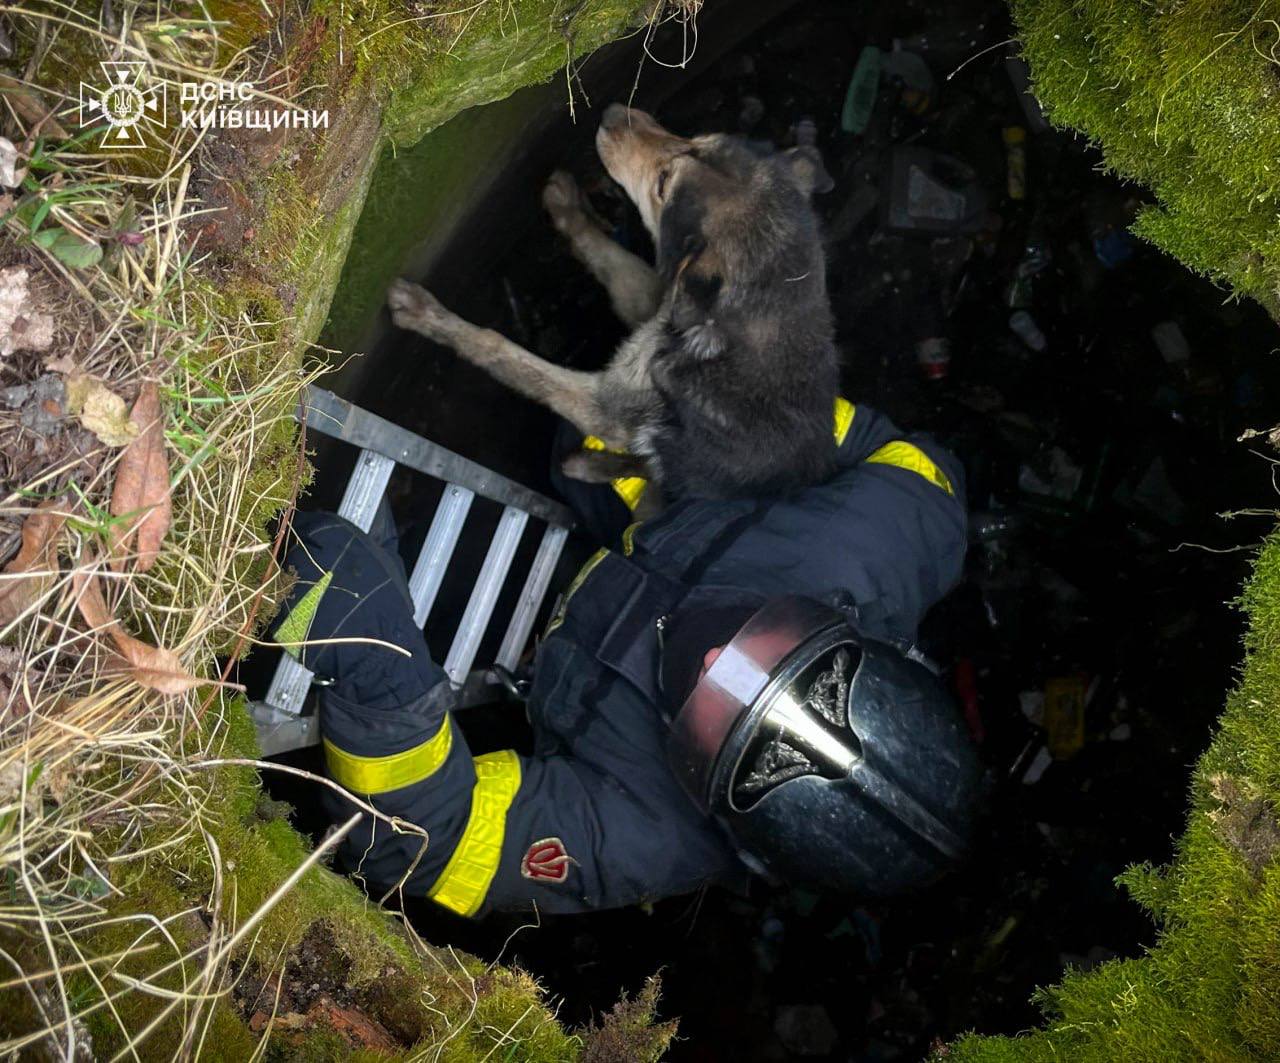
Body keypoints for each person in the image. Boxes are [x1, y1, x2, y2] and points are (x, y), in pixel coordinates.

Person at [270, 398, 979, 917]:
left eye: (714, 719)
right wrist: (712, 423)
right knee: (583, 427)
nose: (712, 663)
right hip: (664, 511)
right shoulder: (874, 542)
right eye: (768, 650)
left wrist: (379, 668)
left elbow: (432, 847)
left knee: (392, 587)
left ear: (732, 826)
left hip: (561, 636)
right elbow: (914, 464)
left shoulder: (655, 835)